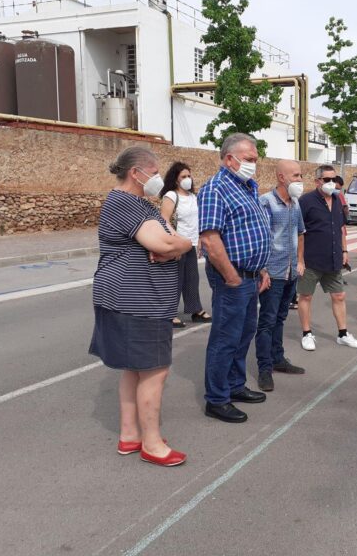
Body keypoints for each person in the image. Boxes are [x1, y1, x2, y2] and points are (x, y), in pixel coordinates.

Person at [89, 146, 192, 466]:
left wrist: (181, 245)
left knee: (134, 369)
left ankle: (130, 436)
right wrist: (179, 245)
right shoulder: (125, 203)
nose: (158, 178)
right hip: (138, 300)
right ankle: (152, 443)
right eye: (154, 171)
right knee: (154, 370)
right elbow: (166, 241)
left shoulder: (138, 205)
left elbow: (177, 240)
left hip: (136, 298)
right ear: (136, 173)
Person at [198, 133, 272, 423]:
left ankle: (234, 385)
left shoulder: (247, 187)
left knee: (243, 334)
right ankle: (216, 399)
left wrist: (261, 269)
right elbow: (210, 239)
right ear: (230, 159)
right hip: (233, 278)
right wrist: (231, 277)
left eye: (255, 159)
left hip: (251, 276)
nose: (254, 164)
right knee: (225, 338)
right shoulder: (215, 189)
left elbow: (252, 232)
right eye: (249, 159)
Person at [297, 165, 357, 351]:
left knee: (339, 295)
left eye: (334, 179)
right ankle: (307, 334)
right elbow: (298, 232)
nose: (331, 183)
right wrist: (299, 259)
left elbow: (341, 228)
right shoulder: (306, 201)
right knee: (306, 296)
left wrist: (344, 251)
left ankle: (343, 334)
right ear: (317, 181)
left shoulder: (337, 199)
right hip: (311, 259)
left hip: (333, 259)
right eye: (327, 180)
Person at [255, 160, 307, 392]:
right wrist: (262, 270)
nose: (299, 180)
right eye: (295, 175)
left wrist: (300, 261)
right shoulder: (266, 202)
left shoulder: (295, 204)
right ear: (281, 177)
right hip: (272, 273)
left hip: (290, 272)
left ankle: (278, 359)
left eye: (300, 175)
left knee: (280, 318)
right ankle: (264, 368)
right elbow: (261, 238)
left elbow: (301, 233)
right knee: (267, 322)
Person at [159, 162, 212, 327]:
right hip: (177, 244)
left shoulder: (194, 197)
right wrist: (175, 241)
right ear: (175, 179)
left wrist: (200, 240)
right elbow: (164, 220)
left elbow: (196, 221)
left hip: (191, 243)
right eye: (183, 176)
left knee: (192, 278)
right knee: (175, 279)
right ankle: (169, 313)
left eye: (189, 176)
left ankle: (195, 309)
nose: (187, 179)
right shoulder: (171, 196)